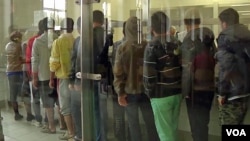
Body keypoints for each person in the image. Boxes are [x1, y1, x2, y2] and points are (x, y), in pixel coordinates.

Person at [113, 16, 159, 141]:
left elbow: (118, 73)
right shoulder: (147, 45)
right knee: (151, 123)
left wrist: (120, 93)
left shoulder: (122, 48)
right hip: (146, 92)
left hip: (129, 92)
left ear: (126, 29)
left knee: (133, 125)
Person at [143, 11, 182, 141]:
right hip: (177, 92)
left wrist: (149, 92)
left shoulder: (152, 46)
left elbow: (149, 75)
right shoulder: (177, 42)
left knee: (165, 133)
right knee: (173, 129)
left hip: (160, 95)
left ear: (152, 29)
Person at [181, 8, 216, 141]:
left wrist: (185, 91)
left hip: (194, 90)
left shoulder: (189, 39)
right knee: (204, 123)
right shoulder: (209, 38)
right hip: (209, 87)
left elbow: (186, 69)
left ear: (186, 23)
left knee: (195, 126)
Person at [216, 8, 250, 125]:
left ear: (224, 23)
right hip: (245, 92)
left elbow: (226, 67)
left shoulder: (225, 37)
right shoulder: (246, 35)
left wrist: (222, 93)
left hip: (231, 94)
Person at [32, 17, 59, 134]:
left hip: (44, 76)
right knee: (59, 102)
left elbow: (35, 61)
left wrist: (34, 77)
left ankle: (51, 127)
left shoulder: (37, 41)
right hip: (58, 75)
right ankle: (64, 125)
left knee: (48, 104)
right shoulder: (57, 39)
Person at [49, 17, 75, 140]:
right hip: (76, 78)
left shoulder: (58, 42)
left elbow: (54, 63)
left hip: (64, 77)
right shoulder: (76, 40)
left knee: (65, 106)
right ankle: (78, 130)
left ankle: (71, 132)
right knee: (75, 105)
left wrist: (51, 79)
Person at [111, 21, 130, 141]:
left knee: (119, 115)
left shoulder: (117, 45)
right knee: (132, 118)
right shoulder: (141, 45)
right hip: (132, 87)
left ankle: (120, 137)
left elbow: (115, 68)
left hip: (119, 86)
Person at [24, 19, 44, 125]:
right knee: (48, 97)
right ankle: (48, 120)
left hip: (35, 72)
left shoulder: (32, 40)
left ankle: (38, 119)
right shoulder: (51, 39)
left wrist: (30, 74)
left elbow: (29, 59)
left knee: (36, 98)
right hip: (48, 73)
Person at [5, 31, 27, 120]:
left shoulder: (8, 45)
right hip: (17, 71)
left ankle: (16, 113)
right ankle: (19, 114)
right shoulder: (18, 46)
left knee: (12, 93)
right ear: (17, 38)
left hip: (10, 71)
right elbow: (22, 59)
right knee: (22, 92)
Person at [68, 16, 82, 141]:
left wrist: (72, 81)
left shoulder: (78, 41)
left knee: (76, 107)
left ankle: (80, 134)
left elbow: (74, 62)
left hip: (80, 81)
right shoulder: (97, 39)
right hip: (87, 82)